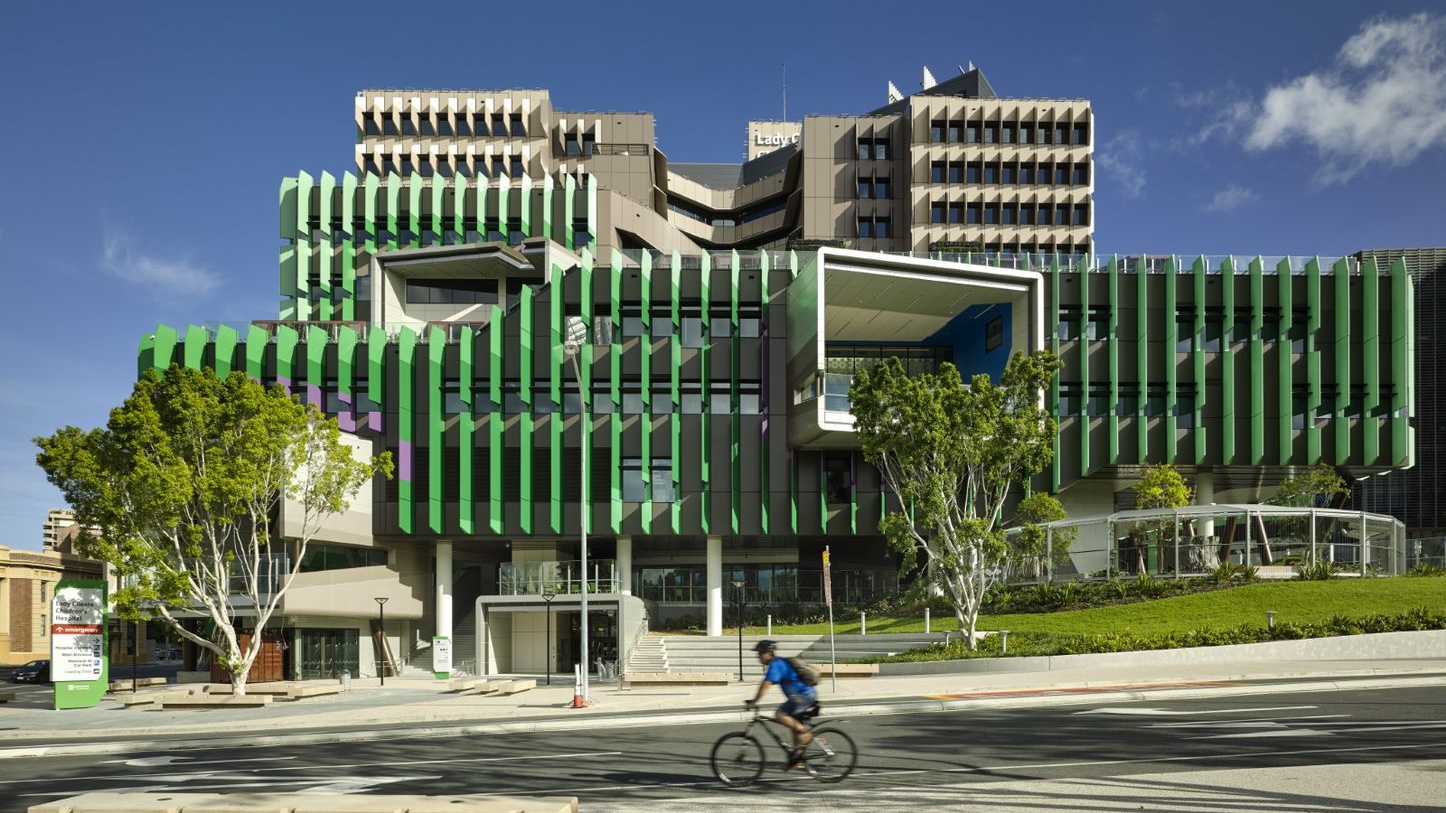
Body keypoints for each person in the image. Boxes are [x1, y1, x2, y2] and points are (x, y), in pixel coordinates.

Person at [744, 639, 817, 765]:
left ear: (768, 653)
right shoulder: (779, 663)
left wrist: (754, 702)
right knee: (793, 725)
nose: (758, 656)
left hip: (802, 695)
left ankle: (806, 734)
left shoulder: (776, 664)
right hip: (803, 695)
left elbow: (766, 684)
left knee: (780, 714)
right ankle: (798, 758)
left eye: (760, 653)